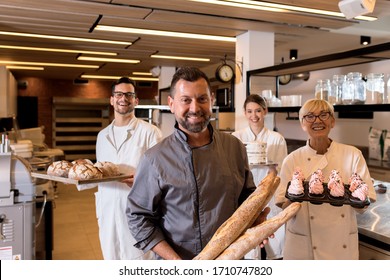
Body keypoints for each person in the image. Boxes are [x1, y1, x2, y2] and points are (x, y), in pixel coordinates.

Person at [126, 66, 268, 260]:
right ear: (171, 104)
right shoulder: (155, 159)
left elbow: (246, 196)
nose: (195, 108)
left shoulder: (234, 147)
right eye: (186, 100)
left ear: (211, 100)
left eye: (202, 99)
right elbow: (138, 217)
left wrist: (255, 221)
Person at [275, 98, 376, 260]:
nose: (317, 121)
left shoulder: (352, 155)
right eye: (310, 116)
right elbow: (282, 204)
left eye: (323, 115)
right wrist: (297, 193)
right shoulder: (292, 159)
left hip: (340, 246)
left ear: (333, 121)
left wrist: (356, 197)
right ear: (302, 124)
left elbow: (365, 203)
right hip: (303, 245)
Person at [94, 77, 162, 260]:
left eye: (129, 95)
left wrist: (142, 182)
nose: (123, 98)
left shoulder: (150, 132)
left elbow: (163, 175)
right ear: (111, 99)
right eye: (118, 94)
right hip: (107, 214)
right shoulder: (102, 136)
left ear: (136, 100)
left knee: (139, 264)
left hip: (138, 214)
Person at [232, 94, 287, 260]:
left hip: (270, 196)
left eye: (258, 111)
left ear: (265, 111)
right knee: (248, 248)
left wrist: (271, 167)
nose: (253, 115)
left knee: (275, 247)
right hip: (245, 196)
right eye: (249, 111)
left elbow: (281, 170)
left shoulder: (276, 139)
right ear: (244, 112)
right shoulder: (236, 138)